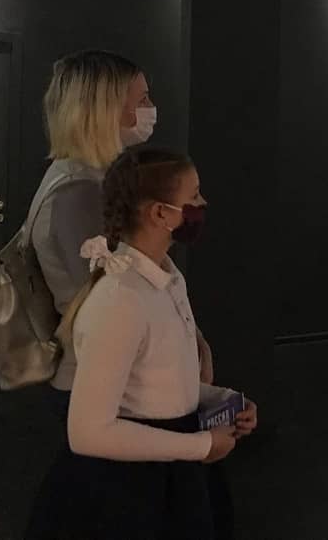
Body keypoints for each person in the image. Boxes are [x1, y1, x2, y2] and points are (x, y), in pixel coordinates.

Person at [26, 147, 257, 539]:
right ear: (160, 214)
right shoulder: (120, 300)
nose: (203, 204)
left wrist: (221, 400)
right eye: (194, 196)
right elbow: (87, 432)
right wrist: (201, 446)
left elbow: (158, 381)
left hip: (170, 471)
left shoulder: (167, 277)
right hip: (129, 491)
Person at [28, 51, 213, 417]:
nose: (150, 109)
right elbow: (108, 295)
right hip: (100, 382)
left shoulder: (92, 179)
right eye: (141, 99)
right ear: (105, 108)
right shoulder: (77, 191)